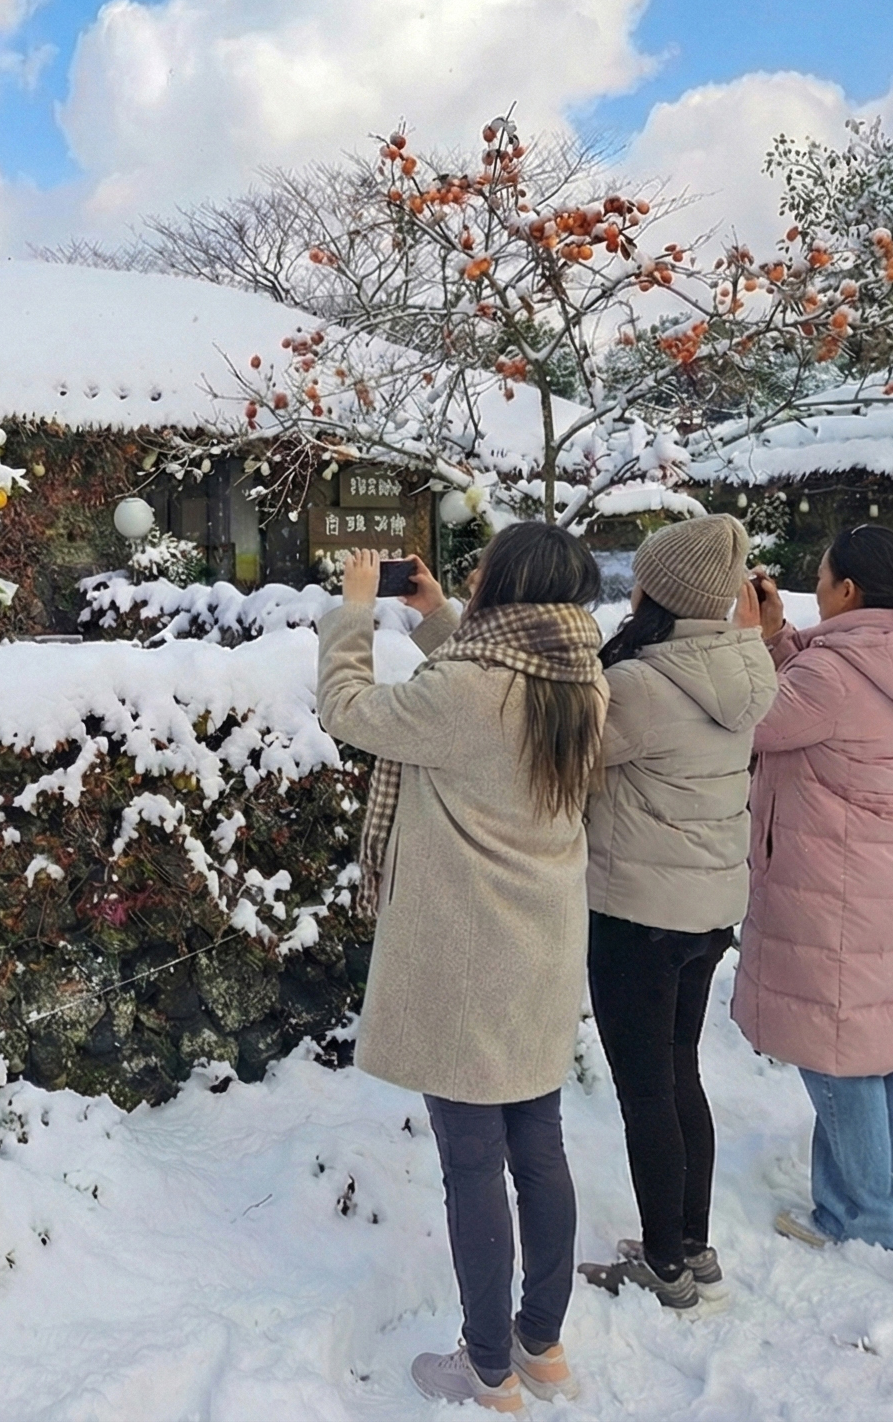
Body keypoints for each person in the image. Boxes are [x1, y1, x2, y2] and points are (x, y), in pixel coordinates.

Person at [317, 527, 606, 1414]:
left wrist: (354, 613)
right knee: (540, 1147)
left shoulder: (470, 690)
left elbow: (349, 709)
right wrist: (438, 614)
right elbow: (491, 686)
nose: (470, 575)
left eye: (483, 569)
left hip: (469, 953)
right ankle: (540, 1345)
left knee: (473, 1163)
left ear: (508, 586)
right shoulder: (582, 677)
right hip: (544, 944)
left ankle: (486, 1368)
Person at [732, 524, 893, 1251]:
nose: (817, 587)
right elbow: (813, 697)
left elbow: (752, 719)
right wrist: (778, 637)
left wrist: (745, 642)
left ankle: (859, 1216)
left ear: (849, 591)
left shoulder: (833, 674)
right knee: (887, 1041)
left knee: (838, 1048)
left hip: (832, 884)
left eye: (823, 577)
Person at [575, 515, 776, 1312]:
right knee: (680, 1072)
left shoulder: (641, 684)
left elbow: (557, 748)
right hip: (707, 909)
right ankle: (692, 1246)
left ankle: (663, 1264)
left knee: (647, 1091)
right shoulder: (743, 663)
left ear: (657, 590)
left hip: (638, 913)